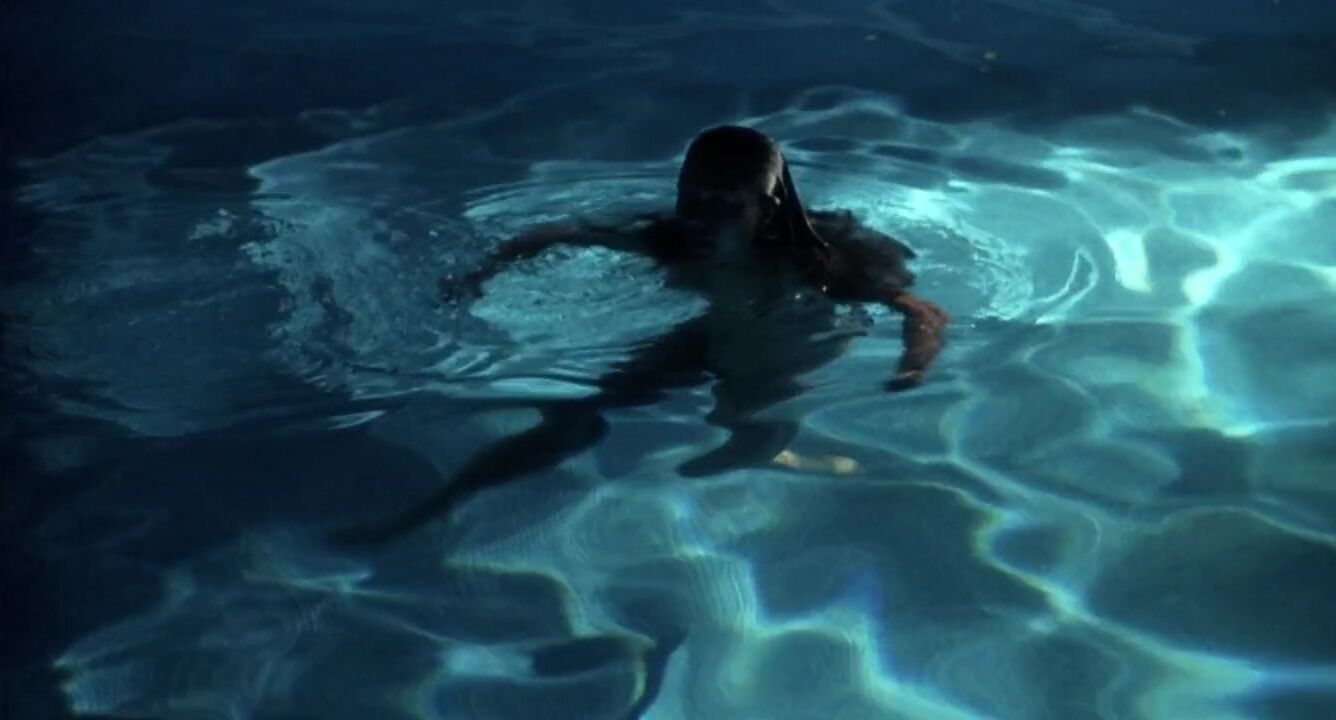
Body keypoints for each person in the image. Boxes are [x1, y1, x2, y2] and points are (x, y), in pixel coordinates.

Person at [332, 125, 949, 546]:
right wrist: (479, 274)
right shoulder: (672, 236)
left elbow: (922, 312)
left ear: (766, 211)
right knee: (582, 411)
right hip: (714, 331)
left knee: (743, 423)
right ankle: (437, 507)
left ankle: (779, 452)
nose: (701, 221)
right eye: (691, 201)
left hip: (794, 332)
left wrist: (911, 370)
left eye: (724, 207)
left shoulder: (816, 263)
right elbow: (555, 233)